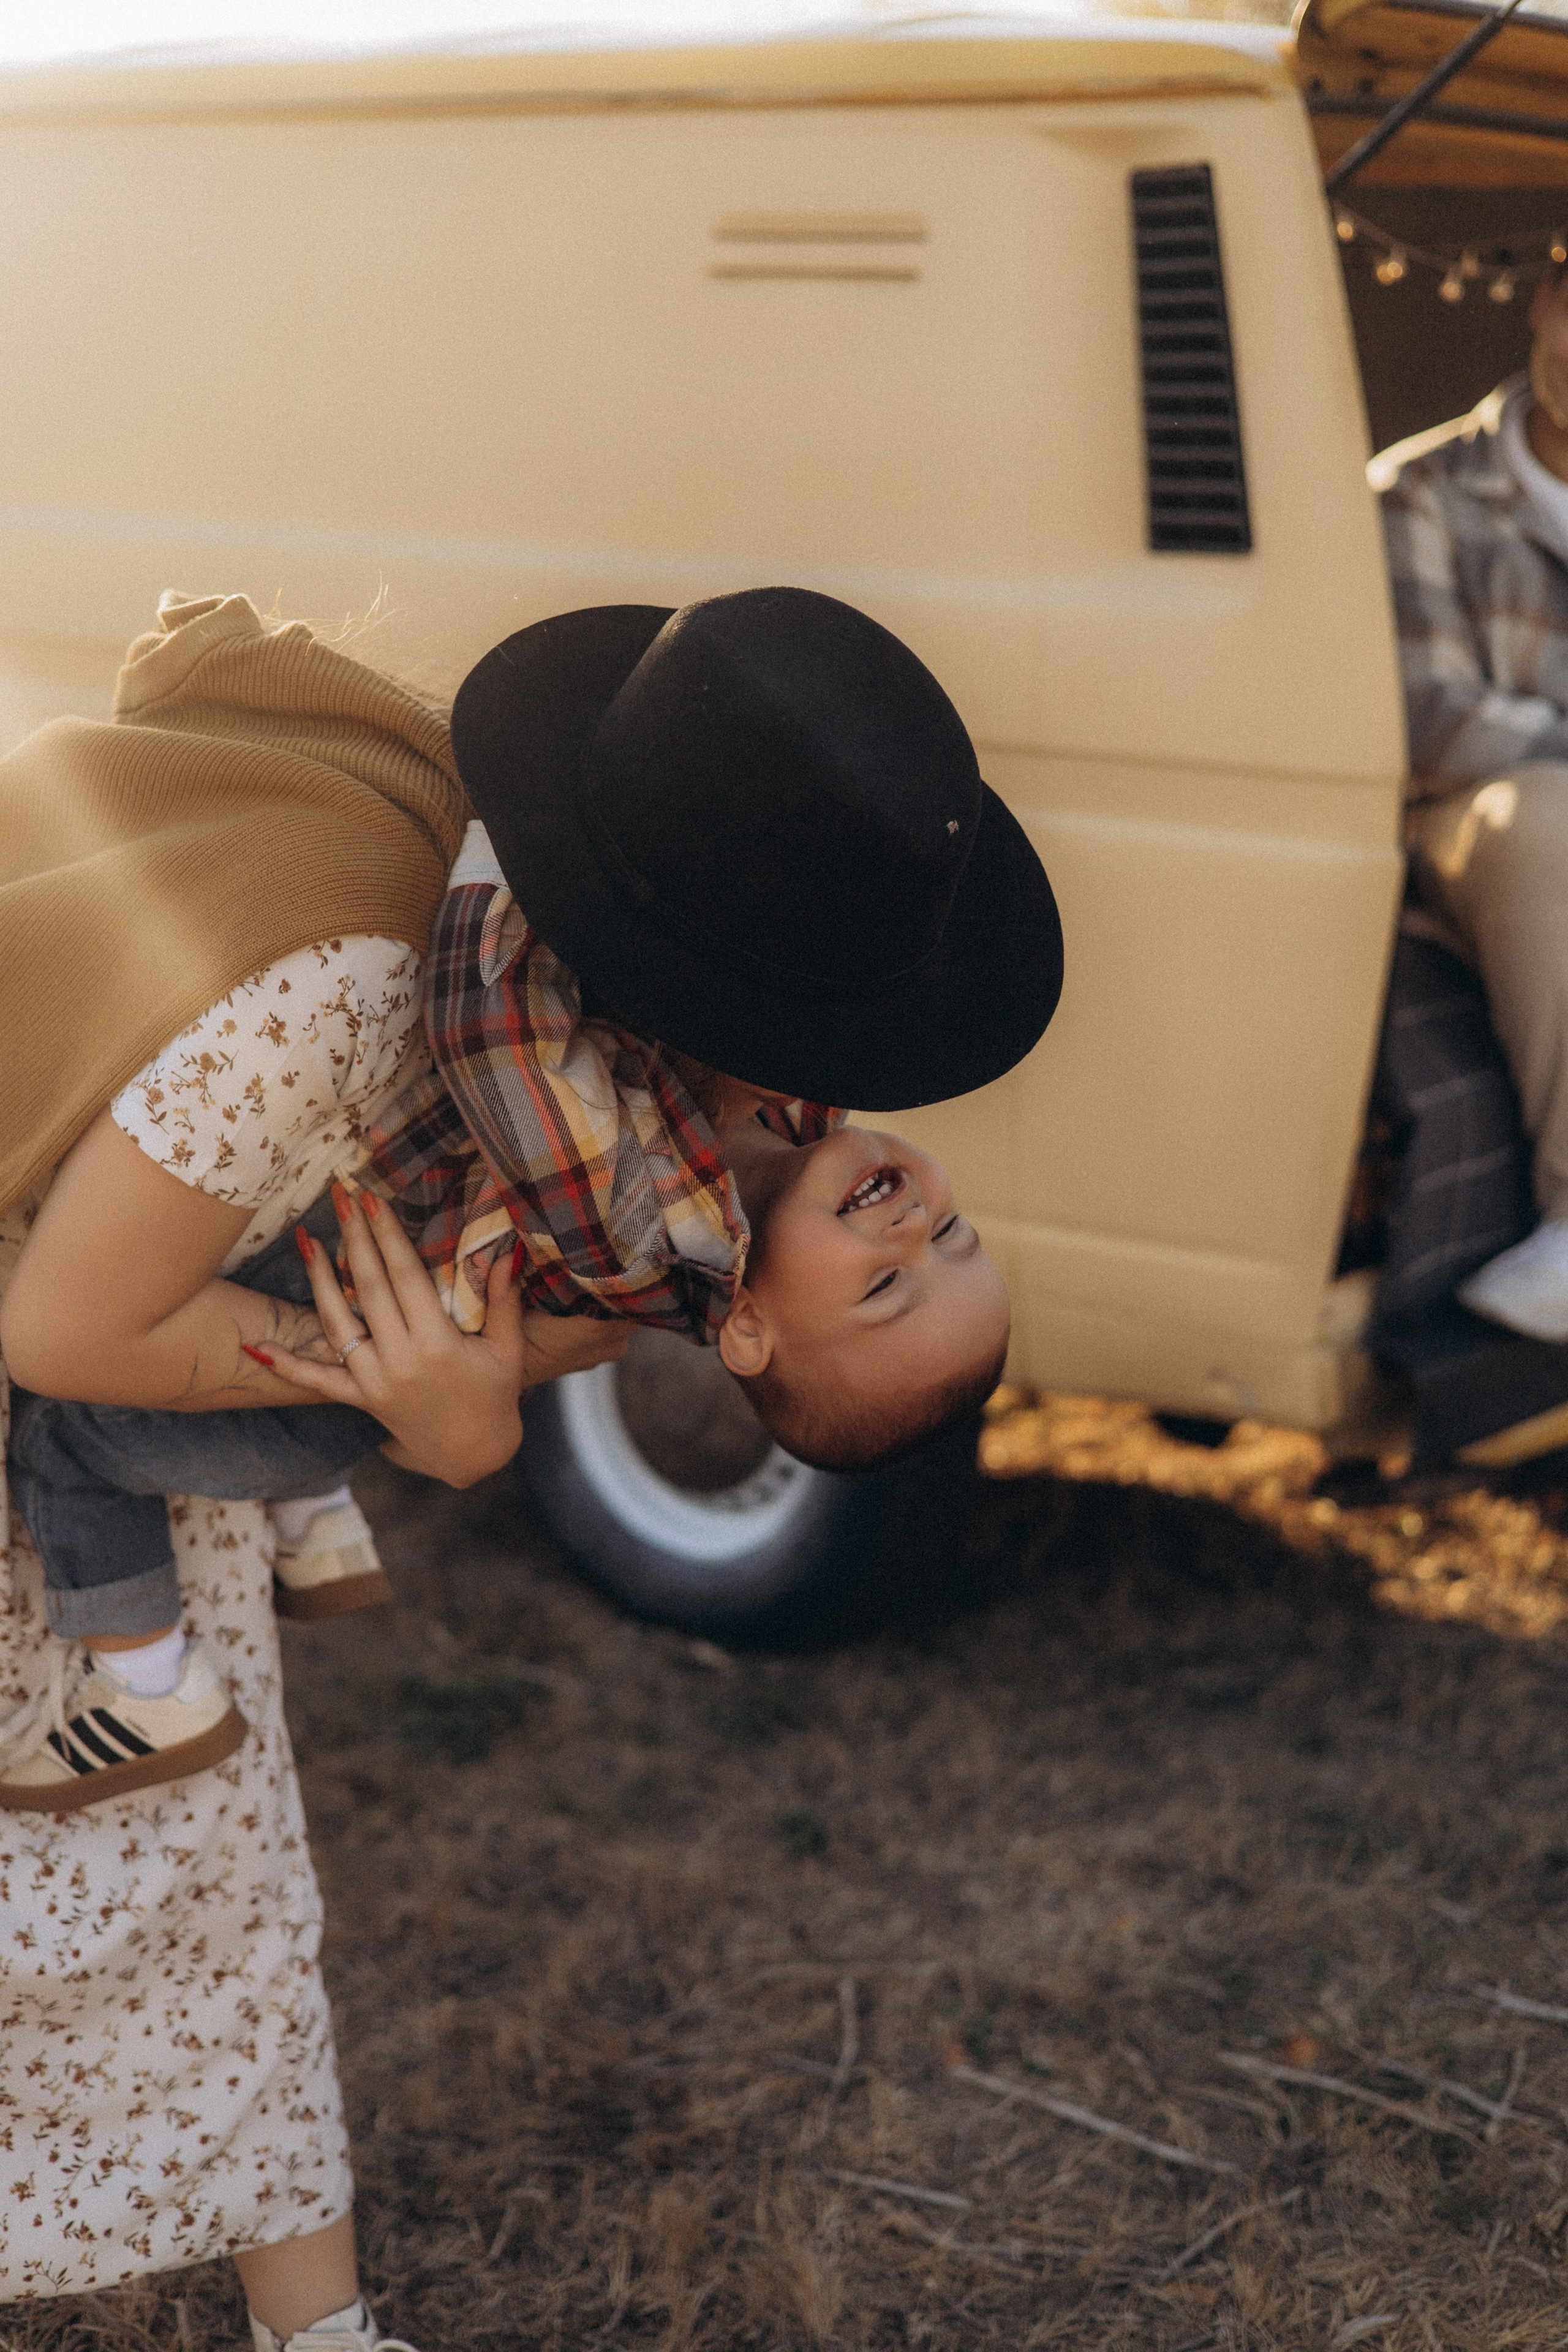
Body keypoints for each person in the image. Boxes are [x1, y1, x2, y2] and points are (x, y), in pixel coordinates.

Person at [0, 590, 1061, 1809]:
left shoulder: (645, 1202)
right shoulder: (346, 983)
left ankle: (156, 1662)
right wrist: (457, 1413)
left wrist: (436, 1407)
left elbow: (495, 1036)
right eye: (951, 1233)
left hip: (192, 1345)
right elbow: (85, 1325)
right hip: (148, 1312)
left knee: (86, 1452)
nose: (909, 1224)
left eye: (886, 1283)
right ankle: (291, 1535)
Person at [1379, 260, 1568, 1340]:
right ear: (1546, 301)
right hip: (1460, 841)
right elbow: (1431, 719)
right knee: (1540, 820)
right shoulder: (1419, 491)